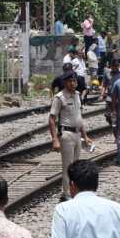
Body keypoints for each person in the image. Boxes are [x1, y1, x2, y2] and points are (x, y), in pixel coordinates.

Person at [50, 72, 94, 201]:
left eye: (74, 81)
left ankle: (74, 192)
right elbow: (52, 119)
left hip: (77, 134)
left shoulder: (77, 95)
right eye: (69, 81)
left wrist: (85, 136)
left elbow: (78, 118)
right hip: (67, 134)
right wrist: (55, 139)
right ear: (64, 83)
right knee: (68, 166)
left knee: (76, 166)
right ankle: (67, 194)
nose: (72, 83)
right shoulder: (59, 97)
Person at [100, 59, 120, 139]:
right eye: (114, 66)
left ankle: (118, 136)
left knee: (119, 118)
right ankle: (116, 132)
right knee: (108, 116)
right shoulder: (107, 72)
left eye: (117, 66)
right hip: (110, 98)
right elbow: (104, 84)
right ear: (111, 66)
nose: (115, 68)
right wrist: (102, 94)